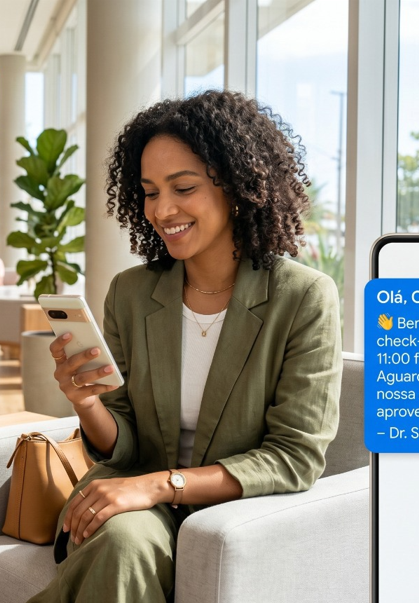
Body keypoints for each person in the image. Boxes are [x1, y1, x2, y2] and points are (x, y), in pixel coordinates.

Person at [27, 90, 343, 602]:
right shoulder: (132, 292)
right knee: (125, 541)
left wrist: (158, 485)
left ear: (238, 188)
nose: (162, 209)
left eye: (184, 187)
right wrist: (86, 404)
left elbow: (294, 457)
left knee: (123, 543)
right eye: (150, 191)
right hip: (132, 501)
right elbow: (123, 442)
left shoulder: (304, 297)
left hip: (230, 512)